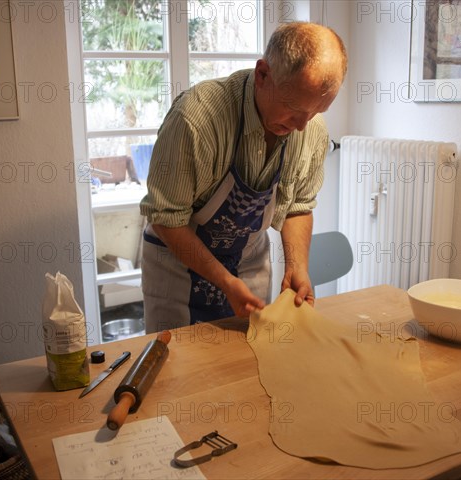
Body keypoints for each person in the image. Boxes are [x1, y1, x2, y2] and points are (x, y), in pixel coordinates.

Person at [140, 21, 347, 333]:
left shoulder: (310, 129)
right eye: (293, 108)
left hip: (247, 265)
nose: (303, 125)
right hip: (177, 270)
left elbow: (298, 206)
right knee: (181, 373)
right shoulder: (196, 119)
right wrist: (224, 281)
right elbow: (167, 217)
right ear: (262, 74)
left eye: (317, 110)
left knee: (245, 368)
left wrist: (297, 266)